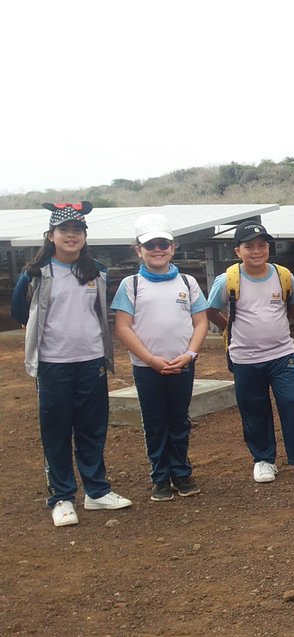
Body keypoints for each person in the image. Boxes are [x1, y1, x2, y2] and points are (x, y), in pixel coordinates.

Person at [11, 202, 132, 526]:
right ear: (51, 235)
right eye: (64, 230)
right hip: (53, 365)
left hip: (91, 361)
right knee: (57, 431)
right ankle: (62, 497)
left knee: (92, 428)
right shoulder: (35, 273)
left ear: (85, 236)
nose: (70, 236)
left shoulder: (97, 272)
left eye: (77, 231)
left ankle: (96, 491)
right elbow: (20, 312)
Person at [206, 221, 294, 486]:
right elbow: (211, 310)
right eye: (249, 246)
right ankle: (264, 459)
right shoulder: (228, 280)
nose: (256, 251)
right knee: (254, 408)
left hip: (281, 355)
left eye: (262, 245)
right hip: (245, 358)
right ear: (237, 251)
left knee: (291, 404)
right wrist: (229, 329)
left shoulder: (283, 276)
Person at [112, 213, 208, 502]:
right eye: (150, 244)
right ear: (138, 250)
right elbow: (122, 326)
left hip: (182, 365)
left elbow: (201, 322)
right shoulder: (131, 285)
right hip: (147, 367)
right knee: (155, 422)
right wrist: (150, 359)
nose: (157, 249)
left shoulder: (188, 283)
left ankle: (181, 472)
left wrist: (190, 354)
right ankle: (160, 476)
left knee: (179, 419)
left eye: (163, 244)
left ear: (173, 248)